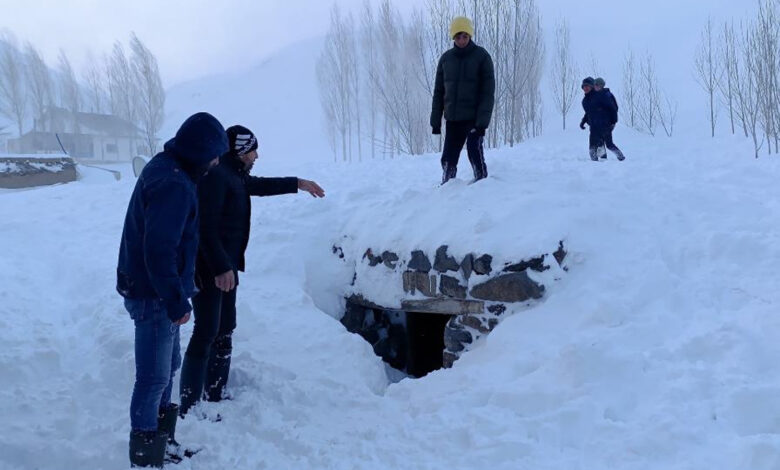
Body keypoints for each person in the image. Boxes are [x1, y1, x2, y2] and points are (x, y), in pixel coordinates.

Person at [179, 125, 325, 417]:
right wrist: (220, 267)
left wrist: (297, 182)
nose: (256, 156)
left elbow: (257, 185)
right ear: (240, 151)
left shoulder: (233, 175)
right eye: (252, 150)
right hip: (210, 268)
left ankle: (214, 392)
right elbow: (204, 228)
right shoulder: (216, 177)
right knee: (206, 331)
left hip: (227, 268)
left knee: (225, 328)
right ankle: (190, 405)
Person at [117, 112, 228, 468]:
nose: (215, 162)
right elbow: (159, 250)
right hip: (154, 295)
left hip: (161, 291)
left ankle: (164, 444)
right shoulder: (174, 184)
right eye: (214, 155)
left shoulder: (171, 168)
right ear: (199, 150)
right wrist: (176, 300)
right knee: (153, 378)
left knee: (168, 368)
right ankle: (145, 458)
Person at [430, 16, 495, 184]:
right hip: (453, 119)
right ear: (453, 37)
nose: (461, 40)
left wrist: (482, 123)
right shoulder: (446, 59)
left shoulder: (482, 57)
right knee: (448, 158)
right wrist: (435, 120)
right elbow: (439, 92)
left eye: (465, 36)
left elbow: (487, 93)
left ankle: (483, 184)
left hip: (473, 119)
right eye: (458, 36)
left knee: (474, 152)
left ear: (470, 36)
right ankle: (446, 186)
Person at [580, 77, 625, 161]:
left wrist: (613, 122)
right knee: (592, 149)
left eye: (588, 86)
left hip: (605, 125)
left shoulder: (601, 95)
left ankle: (621, 157)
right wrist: (583, 122)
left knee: (609, 144)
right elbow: (588, 113)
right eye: (584, 86)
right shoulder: (585, 101)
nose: (585, 88)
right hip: (593, 126)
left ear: (592, 86)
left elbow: (613, 108)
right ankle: (597, 165)